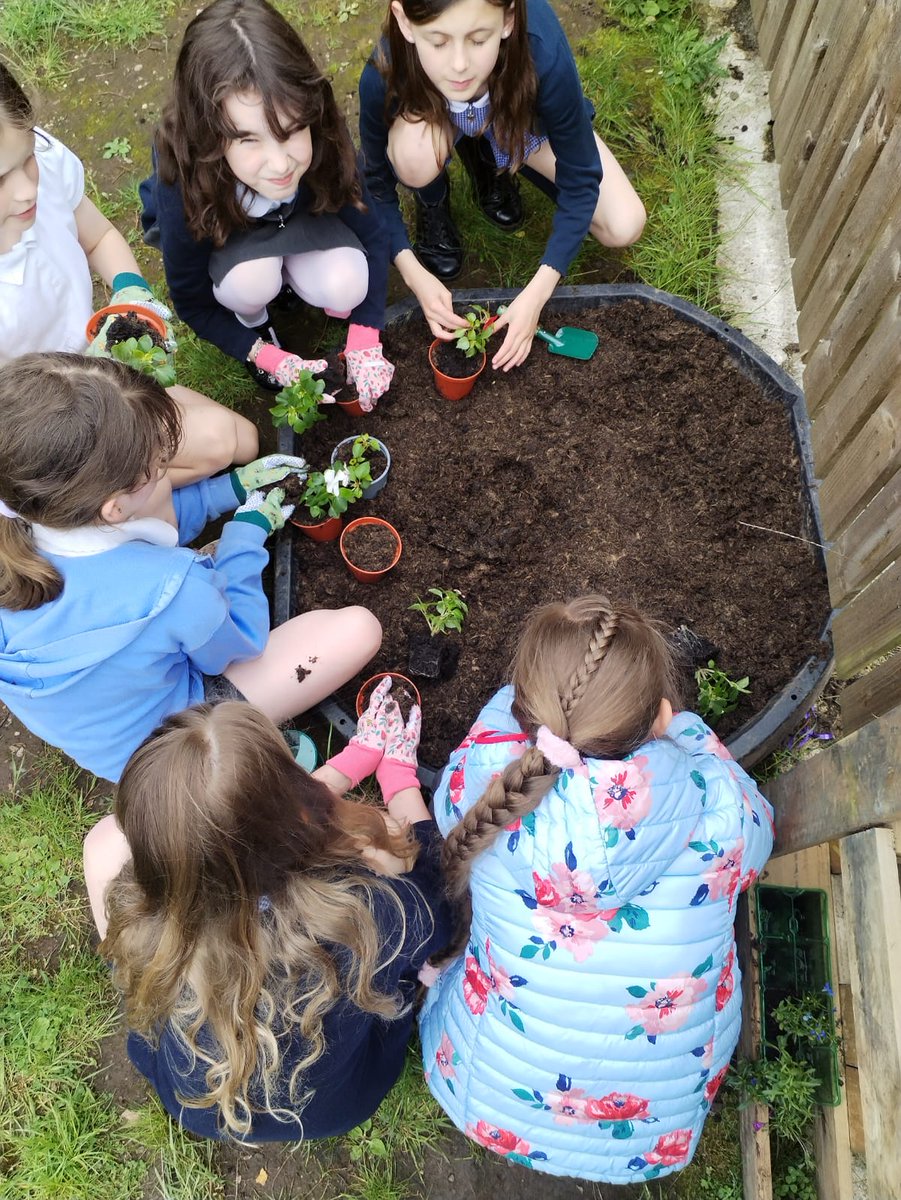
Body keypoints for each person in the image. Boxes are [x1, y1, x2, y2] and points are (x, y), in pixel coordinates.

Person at [417, 596, 774, 1184]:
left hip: (481, 1096)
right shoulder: (726, 814)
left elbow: (489, 733)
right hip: (653, 1133)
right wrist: (685, 728)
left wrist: (531, 709)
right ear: (654, 716)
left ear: (527, 712)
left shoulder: (475, 790)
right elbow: (763, 831)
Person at [83, 689, 452, 1141]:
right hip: (336, 1103)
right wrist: (401, 784)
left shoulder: (137, 918)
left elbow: (229, 834)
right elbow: (440, 895)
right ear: (299, 805)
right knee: (389, 845)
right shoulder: (372, 917)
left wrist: (352, 761)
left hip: (200, 1108)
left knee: (99, 846)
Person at [0, 353, 381, 783]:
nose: (169, 465)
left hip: (106, 729)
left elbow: (148, 518)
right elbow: (241, 640)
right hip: (174, 753)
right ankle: (240, 757)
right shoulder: (174, 588)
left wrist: (233, 488)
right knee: (358, 629)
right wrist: (247, 533)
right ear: (114, 506)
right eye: (158, 467)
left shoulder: (28, 516)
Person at [0, 62, 257, 486]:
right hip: (54, 436)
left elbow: (99, 237)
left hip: (101, 374)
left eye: (26, 158)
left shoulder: (43, 172)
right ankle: (103, 516)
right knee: (219, 443)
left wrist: (131, 292)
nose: (27, 189)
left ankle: (126, 501)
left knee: (243, 440)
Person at [359, 0, 646, 372]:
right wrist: (414, 274)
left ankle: (492, 156)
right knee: (413, 159)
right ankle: (433, 196)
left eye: (479, 39)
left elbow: (581, 176)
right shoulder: (385, 70)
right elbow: (376, 184)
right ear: (405, 22)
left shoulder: (542, 53)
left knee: (624, 222)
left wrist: (537, 293)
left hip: (512, 115)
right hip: (431, 115)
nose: (459, 64)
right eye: (439, 41)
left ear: (509, 19)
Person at [140, 0, 395, 407]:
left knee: (348, 284)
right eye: (247, 139)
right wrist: (263, 355)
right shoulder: (185, 177)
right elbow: (192, 301)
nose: (280, 164)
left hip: (300, 219)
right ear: (209, 134)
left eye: (292, 130)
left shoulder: (324, 132)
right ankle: (257, 322)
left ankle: (297, 284)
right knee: (252, 283)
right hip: (235, 237)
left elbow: (375, 234)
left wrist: (366, 332)